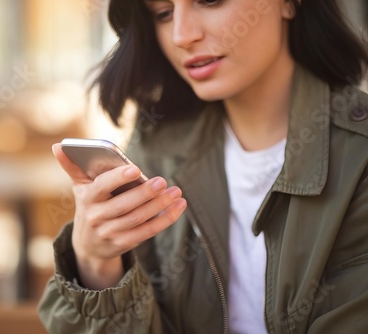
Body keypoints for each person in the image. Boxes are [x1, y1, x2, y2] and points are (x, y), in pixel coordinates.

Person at [38, 0, 368, 333]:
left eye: (209, 1)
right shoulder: (157, 147)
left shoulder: (360, 157)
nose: (182, 35)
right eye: (163, 14)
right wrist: (96, 262)